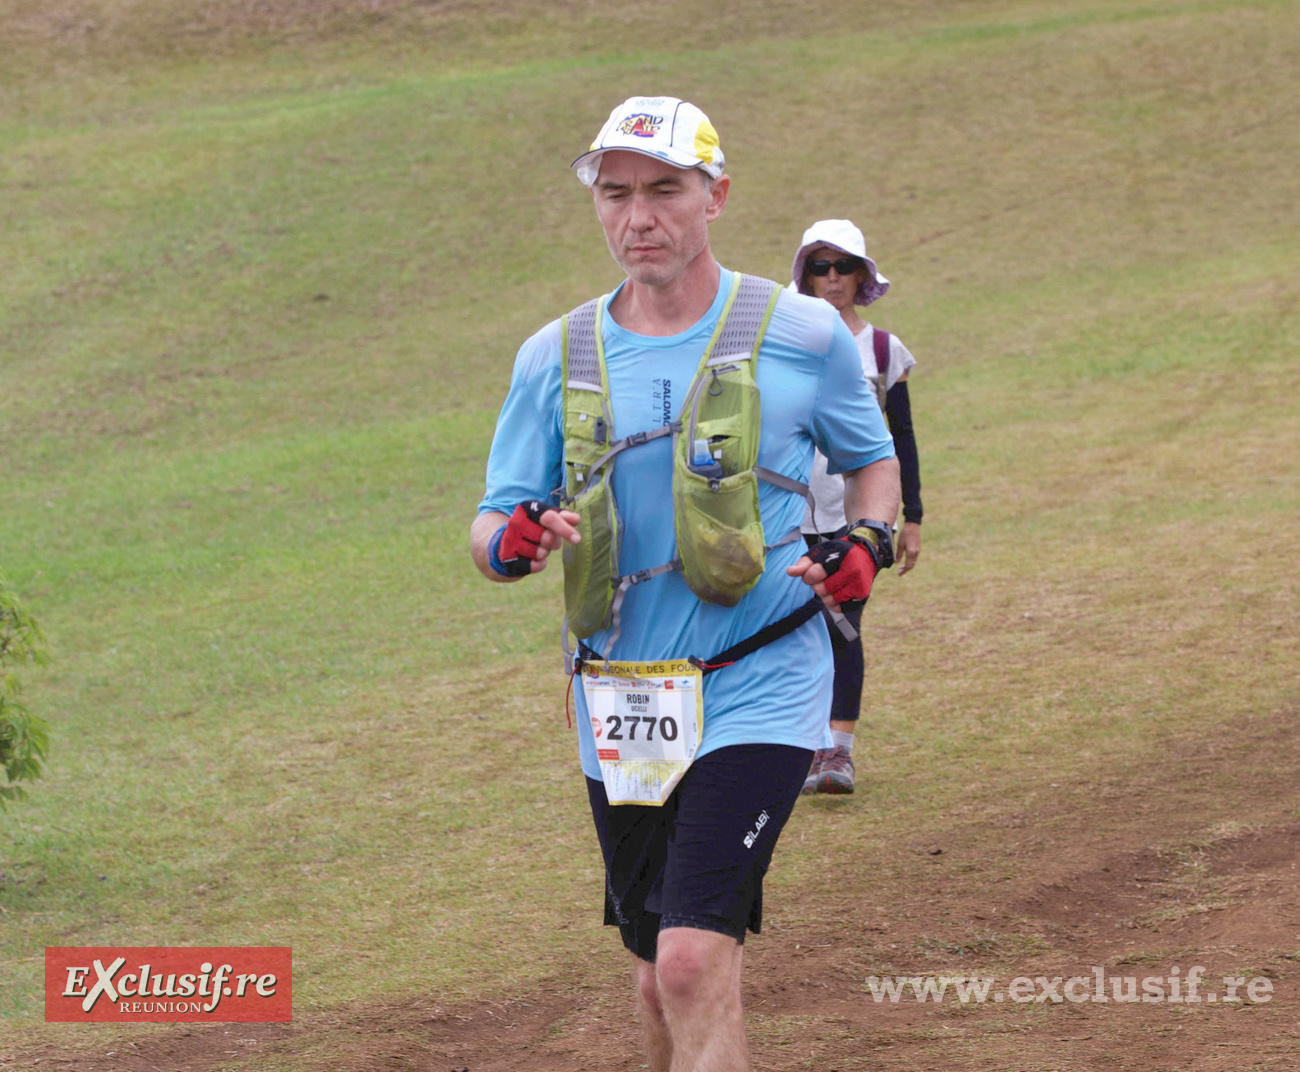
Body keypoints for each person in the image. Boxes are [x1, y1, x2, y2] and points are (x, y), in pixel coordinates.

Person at [469, 96, 899, 1072]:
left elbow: (872, 462)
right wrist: (515, 541)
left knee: (690, 959)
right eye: (616, 194)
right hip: (620, 699)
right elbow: (489, 525)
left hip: (761, 680)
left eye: (665, 190)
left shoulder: (802, 333)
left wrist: (867, 543)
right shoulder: (553, 355)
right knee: (653, 971)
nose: (639, 217)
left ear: (717, 195)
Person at [791, 219, 925, 795]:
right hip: (788, 518)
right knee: (794, 632)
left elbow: (902, 438)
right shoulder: (785, 343)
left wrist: (911, 518)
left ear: (862, 276)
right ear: (805, 276)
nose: (832, 277)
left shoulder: (882, 350)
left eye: (843, 266)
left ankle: (837, 754)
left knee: (843, 626)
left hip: (858, 521)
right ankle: (799, 748)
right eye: (820, 266)